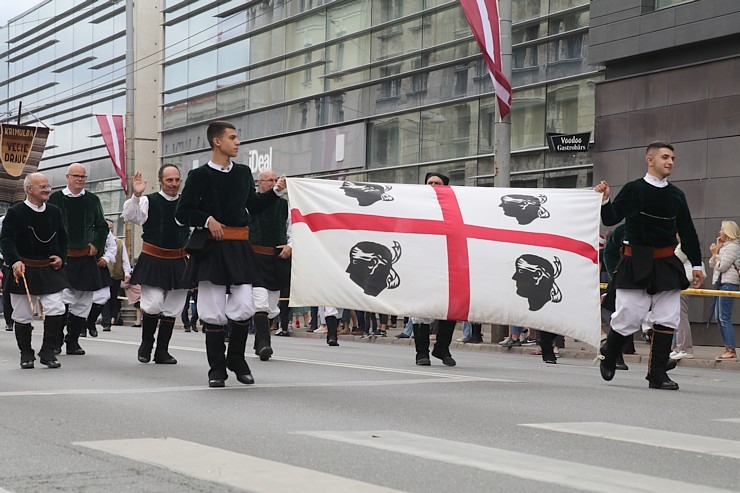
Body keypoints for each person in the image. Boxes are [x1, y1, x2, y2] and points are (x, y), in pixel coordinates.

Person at [174, 120, 286, 387]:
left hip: (238, 248)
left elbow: (254, 206)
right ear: (217, 141)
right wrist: (206, 220)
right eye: (233, 138)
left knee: (245, 306)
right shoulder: (199, 176)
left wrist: (277, 191)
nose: (238, 142)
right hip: (212, 248)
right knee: (212, 310)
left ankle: (236, 358)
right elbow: (182, 213)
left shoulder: (244, 173)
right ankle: (216, 369)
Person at [594, 142, 704, 391]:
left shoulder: (676, 195)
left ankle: (657, 375)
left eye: (673, 158)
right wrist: (605, 200)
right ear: (649, 160)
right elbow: (611, 218)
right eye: (665, 157)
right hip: (636, 260)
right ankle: (609, 353)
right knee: (628, 316)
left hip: (666, 262)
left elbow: (687, 231)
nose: (671, 162)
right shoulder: (634, 189)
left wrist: (698, 265)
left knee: (667, 318)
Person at [122, 166, 190, 365]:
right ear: (160, 181)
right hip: (154, 258)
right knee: (152, 304)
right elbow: (131, 216)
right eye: (169, 180)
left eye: (177, 180)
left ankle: (162, 351)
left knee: (173, 308)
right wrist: (135, 195)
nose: (174, 184)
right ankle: (146, 344)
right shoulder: (147, 201)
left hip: (179, 260)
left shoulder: (186, 203)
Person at [0, 173, 68, 369]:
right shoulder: (15, 212)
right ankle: (26, 353)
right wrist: (14, 262)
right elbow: (6, 240)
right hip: (23, 269)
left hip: (48, 269)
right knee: (22, 314)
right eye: (43, 187)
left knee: (56, 308)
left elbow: (63, 238)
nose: (47, 190)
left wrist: (61, 257)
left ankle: (47, 351)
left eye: (48, 186)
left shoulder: (55, 211)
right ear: (29, 189)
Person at [49, 163, 109, 356]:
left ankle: (72, 341)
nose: (80, 179)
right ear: (67, 177)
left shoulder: (92, 200)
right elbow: (47, 226)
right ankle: (56, 340)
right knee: (61, 300)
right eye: (76, 176)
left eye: (83, 176)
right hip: (63, 258)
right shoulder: (56, 199)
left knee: (83, 301)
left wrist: (96, 245)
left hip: (85, 257)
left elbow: (102, 226)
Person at [410, 172, 456, 367]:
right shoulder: (417, 206)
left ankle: (442, 348)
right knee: (421, 311)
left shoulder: (454, 207)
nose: (433, 185)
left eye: (437, 183)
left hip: (447, 263)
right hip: (422, 263)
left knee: (452, 308)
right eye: (430, 182)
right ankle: (422, 353)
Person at [249, 169, 292, 360]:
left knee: (272, 305)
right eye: (269, 180)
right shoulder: (250, 203)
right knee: (260, 302)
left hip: (276, 259)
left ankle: (260, 341)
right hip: (254, 259)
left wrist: (290, 246)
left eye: (276, 180)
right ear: (260, 183)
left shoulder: (285, 206)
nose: (274, 183)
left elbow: (294, 229)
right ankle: (266, 344)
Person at [708, 220, 740, 361]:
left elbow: (721, 266)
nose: (719, 232)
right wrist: (717, 251)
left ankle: (730, 349)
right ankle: (727, 347)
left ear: (728, 231)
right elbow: (711, 264)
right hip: (720, 284)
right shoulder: (724, 247)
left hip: (728, 284)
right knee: (719, 317)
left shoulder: (733, 247)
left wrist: (716, 254)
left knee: (724, 317)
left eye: (722, 229)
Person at [83, 226, 116, 338]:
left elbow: (112, 247)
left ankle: (90, 321)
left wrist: (106, 258)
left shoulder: (102, 227)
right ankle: (80, 325)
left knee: (103, 296)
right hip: (80, 264)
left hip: (98, 265)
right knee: (80, 298)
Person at [101, 220, 131, 331]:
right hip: (103, 274)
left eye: (111, 227)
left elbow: (125, 259)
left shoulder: (119, 242)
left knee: (113, 298)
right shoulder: (99, 241)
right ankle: (106, 321)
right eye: (107, 226)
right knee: (105, 297)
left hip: (116, 275)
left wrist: (127, 272)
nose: (110, 229)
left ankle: (112, 316)